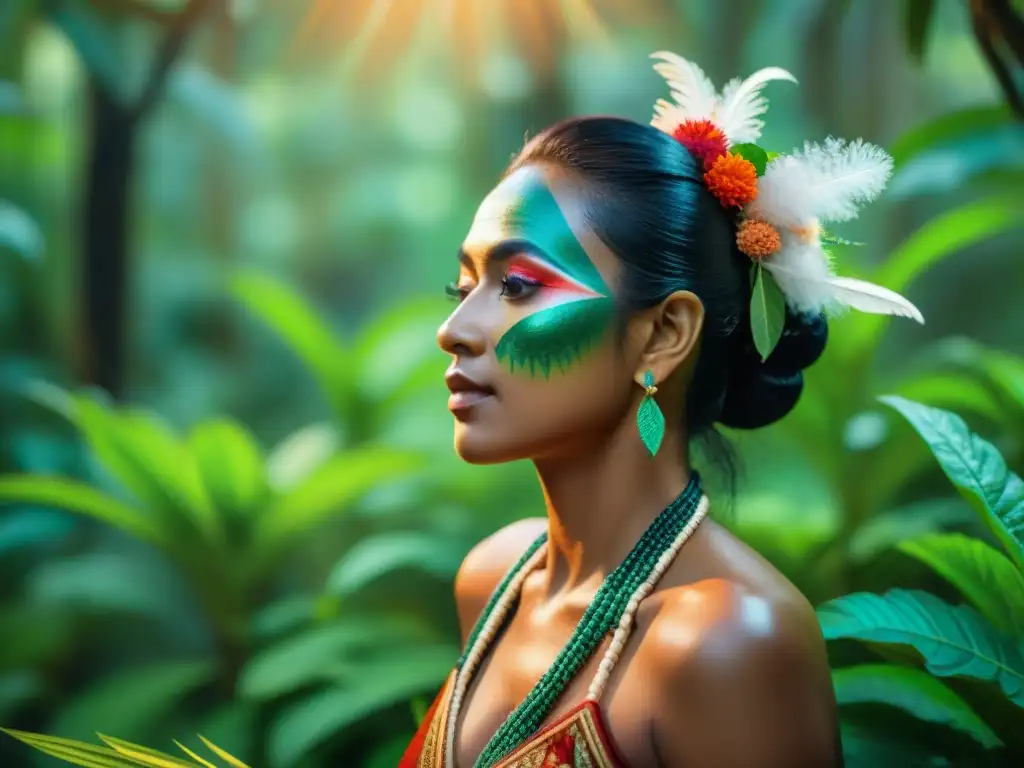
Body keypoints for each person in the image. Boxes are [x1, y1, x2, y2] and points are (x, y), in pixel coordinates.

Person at [400, 50, 922, 768]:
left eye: (518, 285)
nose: (454, 329)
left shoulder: (728, 640)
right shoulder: (494, 580)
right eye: (464, 289)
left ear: (664, 333)